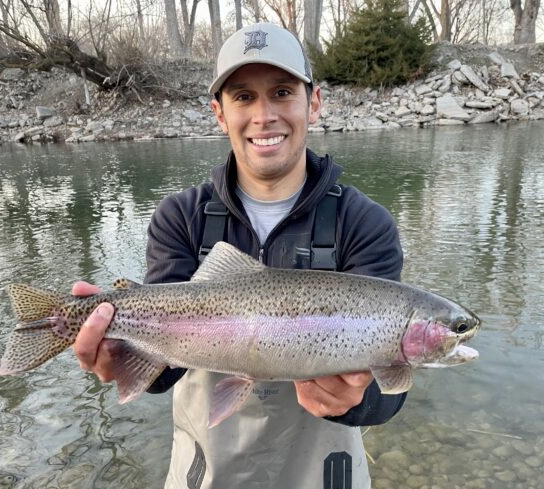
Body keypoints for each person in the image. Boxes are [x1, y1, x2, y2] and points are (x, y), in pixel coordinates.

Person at [72, 22, 406, 489]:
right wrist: (122, 359)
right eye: (244, 96)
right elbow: (164, 374)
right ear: (219, 113)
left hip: (323, 471)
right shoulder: (180, 217)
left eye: (283, 91)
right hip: (206, 472)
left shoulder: (365, 224)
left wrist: (356, 399)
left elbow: (388, 396)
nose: (264, 115)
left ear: (313, 102)